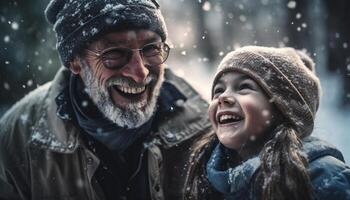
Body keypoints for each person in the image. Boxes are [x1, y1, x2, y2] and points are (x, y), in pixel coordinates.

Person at [0, 0, 211, 199]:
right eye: (115, 53)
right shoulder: (16, 142)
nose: (140, 73)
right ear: (76, 62)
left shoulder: (202, 127)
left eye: (151, 49)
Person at [184, 46, 350, 200]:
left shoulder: (325, 178)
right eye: (218, 90)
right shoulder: (203, 174)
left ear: (282, 108)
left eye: (243, 87)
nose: (222, 98)